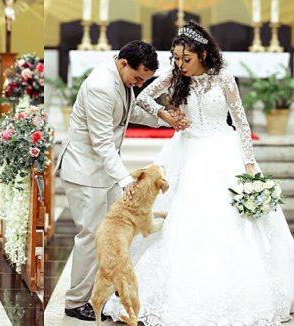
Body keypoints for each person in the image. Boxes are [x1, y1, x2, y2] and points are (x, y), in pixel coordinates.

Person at [103, 21, 294, 325]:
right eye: (176, 58)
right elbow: (142, 97)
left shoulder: (225, 79)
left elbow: (242, 123)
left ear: (203, 53)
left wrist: (248, 166)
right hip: (188, 151)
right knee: (181, 219)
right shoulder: (176, 76)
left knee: (227, 223)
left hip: (222, 151)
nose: (180, 65)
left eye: (186, 59)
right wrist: (165, 115)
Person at [55, 40, 188, 321]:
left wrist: (164, 117)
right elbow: (102, 142)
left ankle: (112, 286)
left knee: (116, 235)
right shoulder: (100, 86)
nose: (139, 85)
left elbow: (129, 112)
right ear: (124, 63)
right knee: (91, 236)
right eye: (138, 78)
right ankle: (76, 301)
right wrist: (126, 180)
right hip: (84, 171)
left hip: (104, 170)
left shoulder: (121, 77)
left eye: (144, 80)